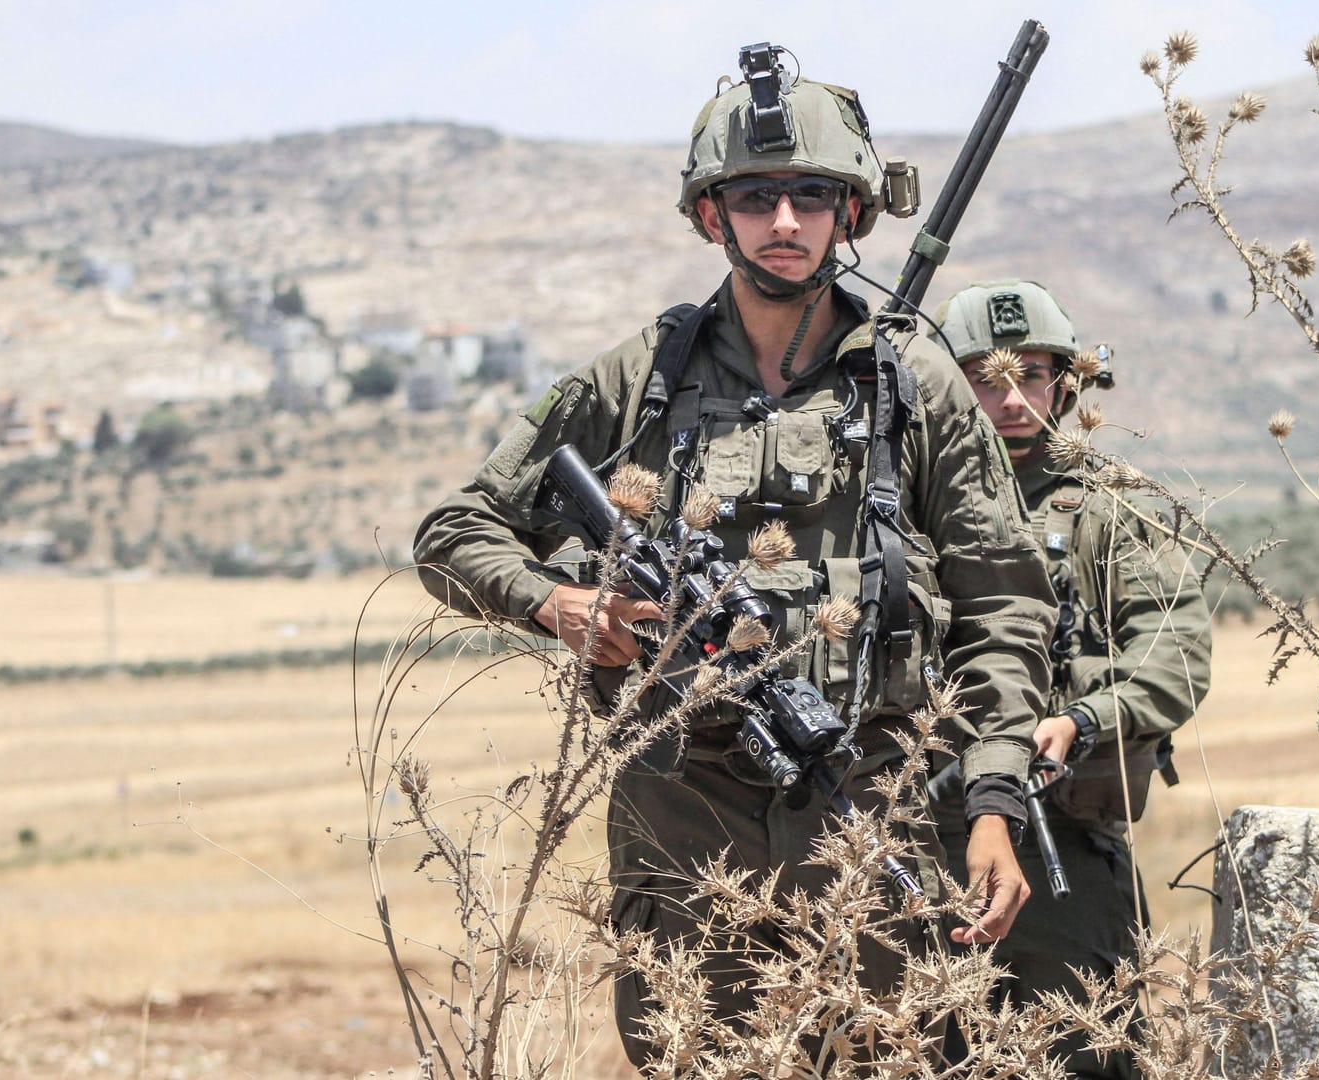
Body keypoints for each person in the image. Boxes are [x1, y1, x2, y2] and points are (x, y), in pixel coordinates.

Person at [412, 50, 1057, 1068]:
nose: (786, 222)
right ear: (711, 215)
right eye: (756, 196)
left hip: (871, 799)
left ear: (853, 213)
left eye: (813, 195)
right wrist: (559, 605)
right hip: (683, 805)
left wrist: (991, 803)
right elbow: (454, 532)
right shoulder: (640, 382)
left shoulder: (917, 388)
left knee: (889, 1055)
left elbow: (1006, 609)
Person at [929, 280, 1213, 1080]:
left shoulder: (1109, 508)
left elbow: (1176, 652)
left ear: (1069, 382)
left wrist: (1084, 718)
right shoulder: (906, 500)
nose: (1010, 399)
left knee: (1083, 1049)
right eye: (985, 378)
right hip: (925, 832)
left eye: (1032, 375)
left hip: (1064, 839)